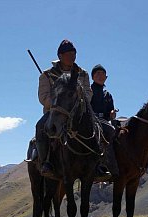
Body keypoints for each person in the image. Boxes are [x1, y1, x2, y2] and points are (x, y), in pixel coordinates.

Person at [33, 39, 93, 178]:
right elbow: (43, 97)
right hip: (56, 112)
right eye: (68, 53)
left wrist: (80, 100)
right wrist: (58, 103)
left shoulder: (82, 73)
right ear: (60, 56)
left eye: (74, 53)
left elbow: (88, 92)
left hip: (78, 111)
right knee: (40, 126)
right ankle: (45, 162)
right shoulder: (47, 75)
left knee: (101, 129)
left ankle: (100, 162)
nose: (72, 56)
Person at [90, 64, 119, 180]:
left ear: (106, 77)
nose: (100, 76)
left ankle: (115, 164)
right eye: (97, 74)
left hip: (104, 121)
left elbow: (109, 113)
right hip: (92, 120)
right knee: (109, 131)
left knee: (119, 133)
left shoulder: (108, 95)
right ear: (92, 77)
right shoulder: (89, 91)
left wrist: (112, 114)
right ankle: (101, 165)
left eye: (102, 74)